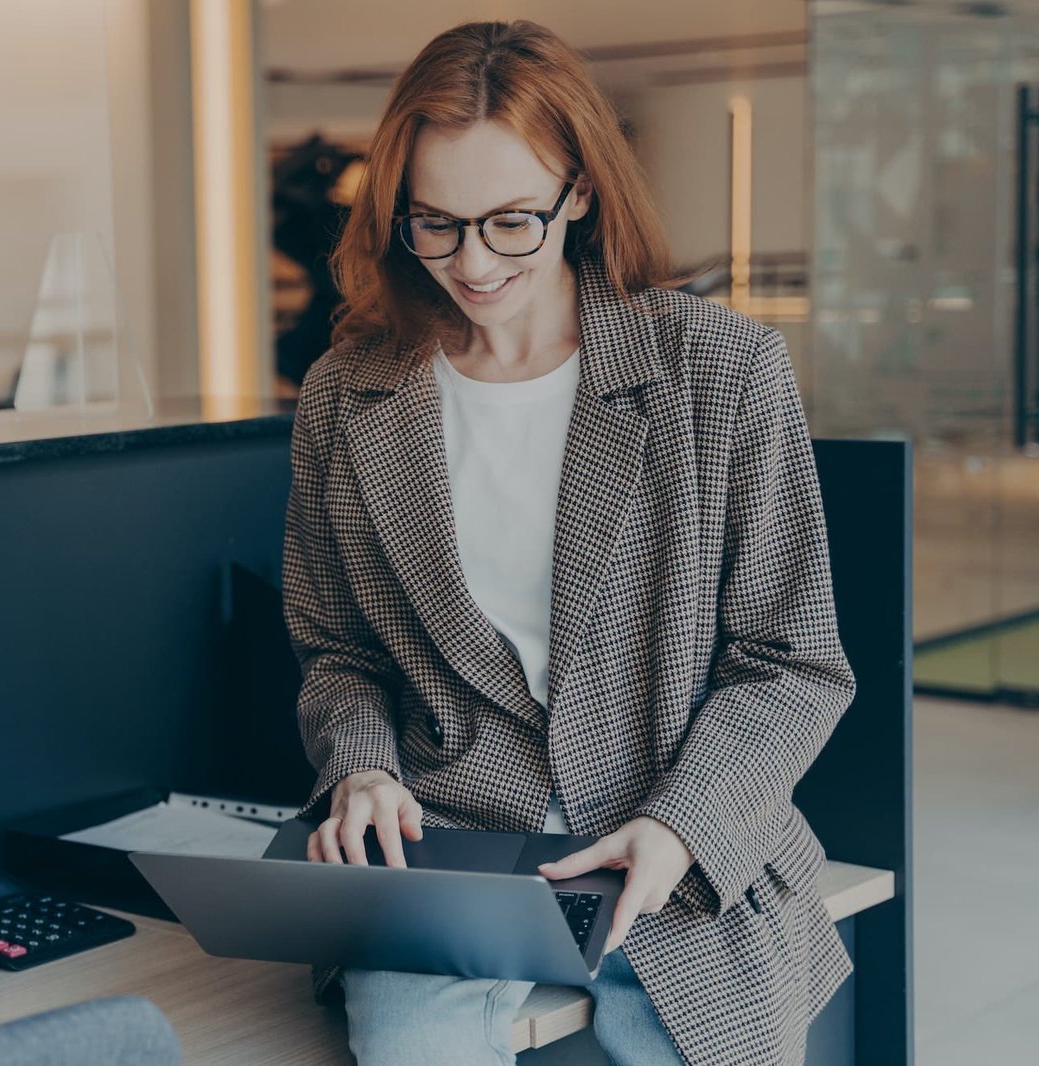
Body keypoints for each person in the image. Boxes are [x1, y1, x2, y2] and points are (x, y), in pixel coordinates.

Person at [280, 20, 855, 1066]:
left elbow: (793, 662)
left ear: (579, 192)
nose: (472, 263)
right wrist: (360, 769)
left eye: (510, 222)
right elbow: (338, 653)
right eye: (435, 224)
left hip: (676, 851)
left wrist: (680, 827)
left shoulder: (720, 371)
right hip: (449, 856)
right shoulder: (345, 394)